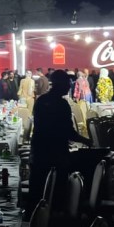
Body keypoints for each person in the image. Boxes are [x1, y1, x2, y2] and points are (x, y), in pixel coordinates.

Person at [31, 70, 93, 201]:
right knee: (56, 192)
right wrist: (87, 141)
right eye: (67, 83)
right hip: (56, 154)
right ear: (61, 84)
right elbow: (68, 132)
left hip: (39, 151)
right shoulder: (62, 104)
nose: (69, 86)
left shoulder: (41, 101)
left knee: (39, 191)